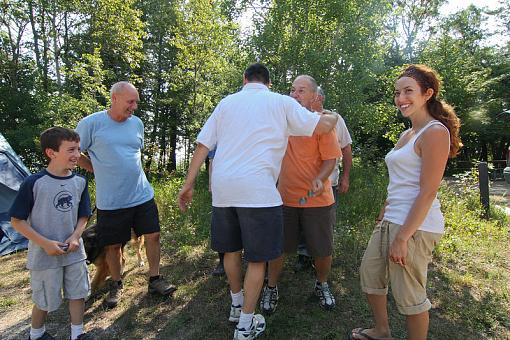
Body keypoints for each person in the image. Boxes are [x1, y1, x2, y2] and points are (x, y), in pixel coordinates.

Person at [178, 63, 338, 340]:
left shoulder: (226, 103)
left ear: (244, 80)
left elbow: (203, 144)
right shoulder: (280, 102)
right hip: (259, 192)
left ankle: (236, 304)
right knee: (257, 259)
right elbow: (322, 124)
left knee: (230, 251)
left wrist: (188, 183)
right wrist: (332, 116)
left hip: (224, 189)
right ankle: (245, 325)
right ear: (270, 84)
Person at [349, 64, 461, 340]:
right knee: (370, 275)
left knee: (409, 294)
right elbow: (400, 180)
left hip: (416, 226)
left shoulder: (435, 132)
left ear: (427, 93)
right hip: (391, 219)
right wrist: (383, 212)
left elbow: (427, 192)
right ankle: (382, 331)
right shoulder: (407, 134)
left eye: (408, 91)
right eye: (397, 92)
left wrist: (402, 238)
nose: (401, 98)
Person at [76, 81, 176, 309]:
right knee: (113, 246)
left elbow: (132, 155)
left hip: (141, 194)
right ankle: (116, 285)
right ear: (114, 99)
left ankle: (155, 279)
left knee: (153, 236)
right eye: (130, 101)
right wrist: (94, 168)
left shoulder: (137, 124)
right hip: (111, 200)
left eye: (136, 102)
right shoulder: (91, 124)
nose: (134, 106)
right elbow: (74, 150)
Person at [261, 75, 341, 314]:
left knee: (322, 250)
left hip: (317, 199)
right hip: (283, 198)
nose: (295, 94)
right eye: (293, 90)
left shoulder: (321, 124)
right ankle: (271, 287)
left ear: (314, 97)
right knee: (278, 248)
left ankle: (322, 284)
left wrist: (321, 178)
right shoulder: (280, 120)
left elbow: (331, 159)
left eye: (301, 90)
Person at [9, 127, 93, 340]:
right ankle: (36, 334)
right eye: (71, 150)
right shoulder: (34, 183)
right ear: (51, 153)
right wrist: (45, 243)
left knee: (78, 293)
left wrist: (75, 236)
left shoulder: (80, 182)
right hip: (44, 256)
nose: (77, 155)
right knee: (45, 299)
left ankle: (78, 334)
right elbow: (17, 221)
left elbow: (84, 216)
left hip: (74, 252)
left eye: (79, 149)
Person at [295, 86, 353, 271]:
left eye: (311, 95)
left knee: (324, 223)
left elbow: (346, 148)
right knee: (303, 221)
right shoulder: (299, 117)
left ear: (319, 97)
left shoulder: (335, 119)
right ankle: (303, 255)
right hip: (301, 184)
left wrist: (346, 177)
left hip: (329, 183)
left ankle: (321, 255)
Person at [208, 148, 225, 276]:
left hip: (247, 181)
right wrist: (211, 183)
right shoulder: (218, 128)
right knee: (221, 226)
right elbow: (212, 160)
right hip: (222, 184)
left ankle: (259, 262)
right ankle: (222, 262)